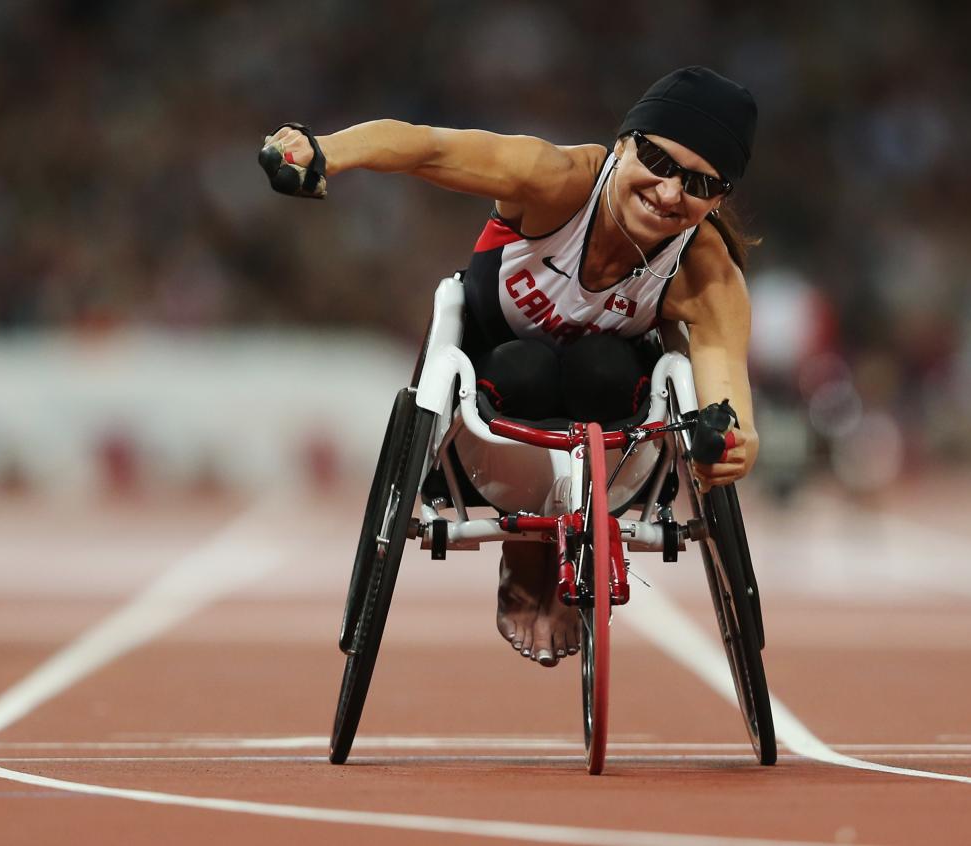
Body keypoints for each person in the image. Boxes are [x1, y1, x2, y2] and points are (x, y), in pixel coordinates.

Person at [263, 66, 760, 667]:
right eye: (658, 160)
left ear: (719, 198)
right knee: (524, 365)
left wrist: (733, 444)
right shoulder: (554, 180)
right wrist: (324, 151)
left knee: (602, 363)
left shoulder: (707, 274)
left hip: (606, 430)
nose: (671, 191)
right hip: (489, 407)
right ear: (624, 144)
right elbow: (431, 147)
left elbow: (727, 395)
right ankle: (528, 550)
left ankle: (571, 535)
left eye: (702, 184)